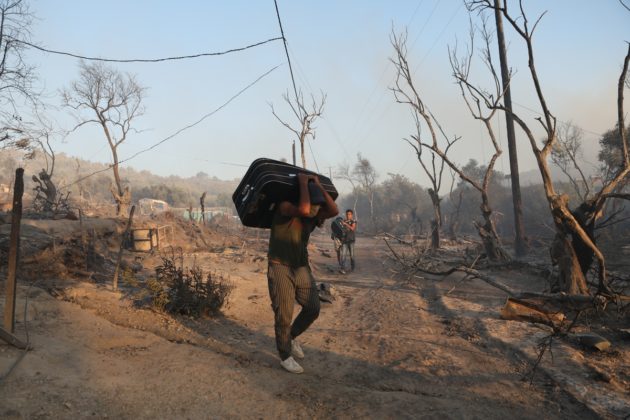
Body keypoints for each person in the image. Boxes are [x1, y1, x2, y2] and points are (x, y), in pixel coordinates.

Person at [267, 172, 338, 374]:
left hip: (300, 266)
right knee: (284, 314)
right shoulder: (285, 206)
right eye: (314, 203)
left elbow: (334, 210)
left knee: (313, 307)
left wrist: (317, 185)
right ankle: (285, 355)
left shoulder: (312, 217)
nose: (316, 209)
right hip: (279, 265)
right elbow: (305, 208)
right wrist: (302, 183)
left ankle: (291, 337)